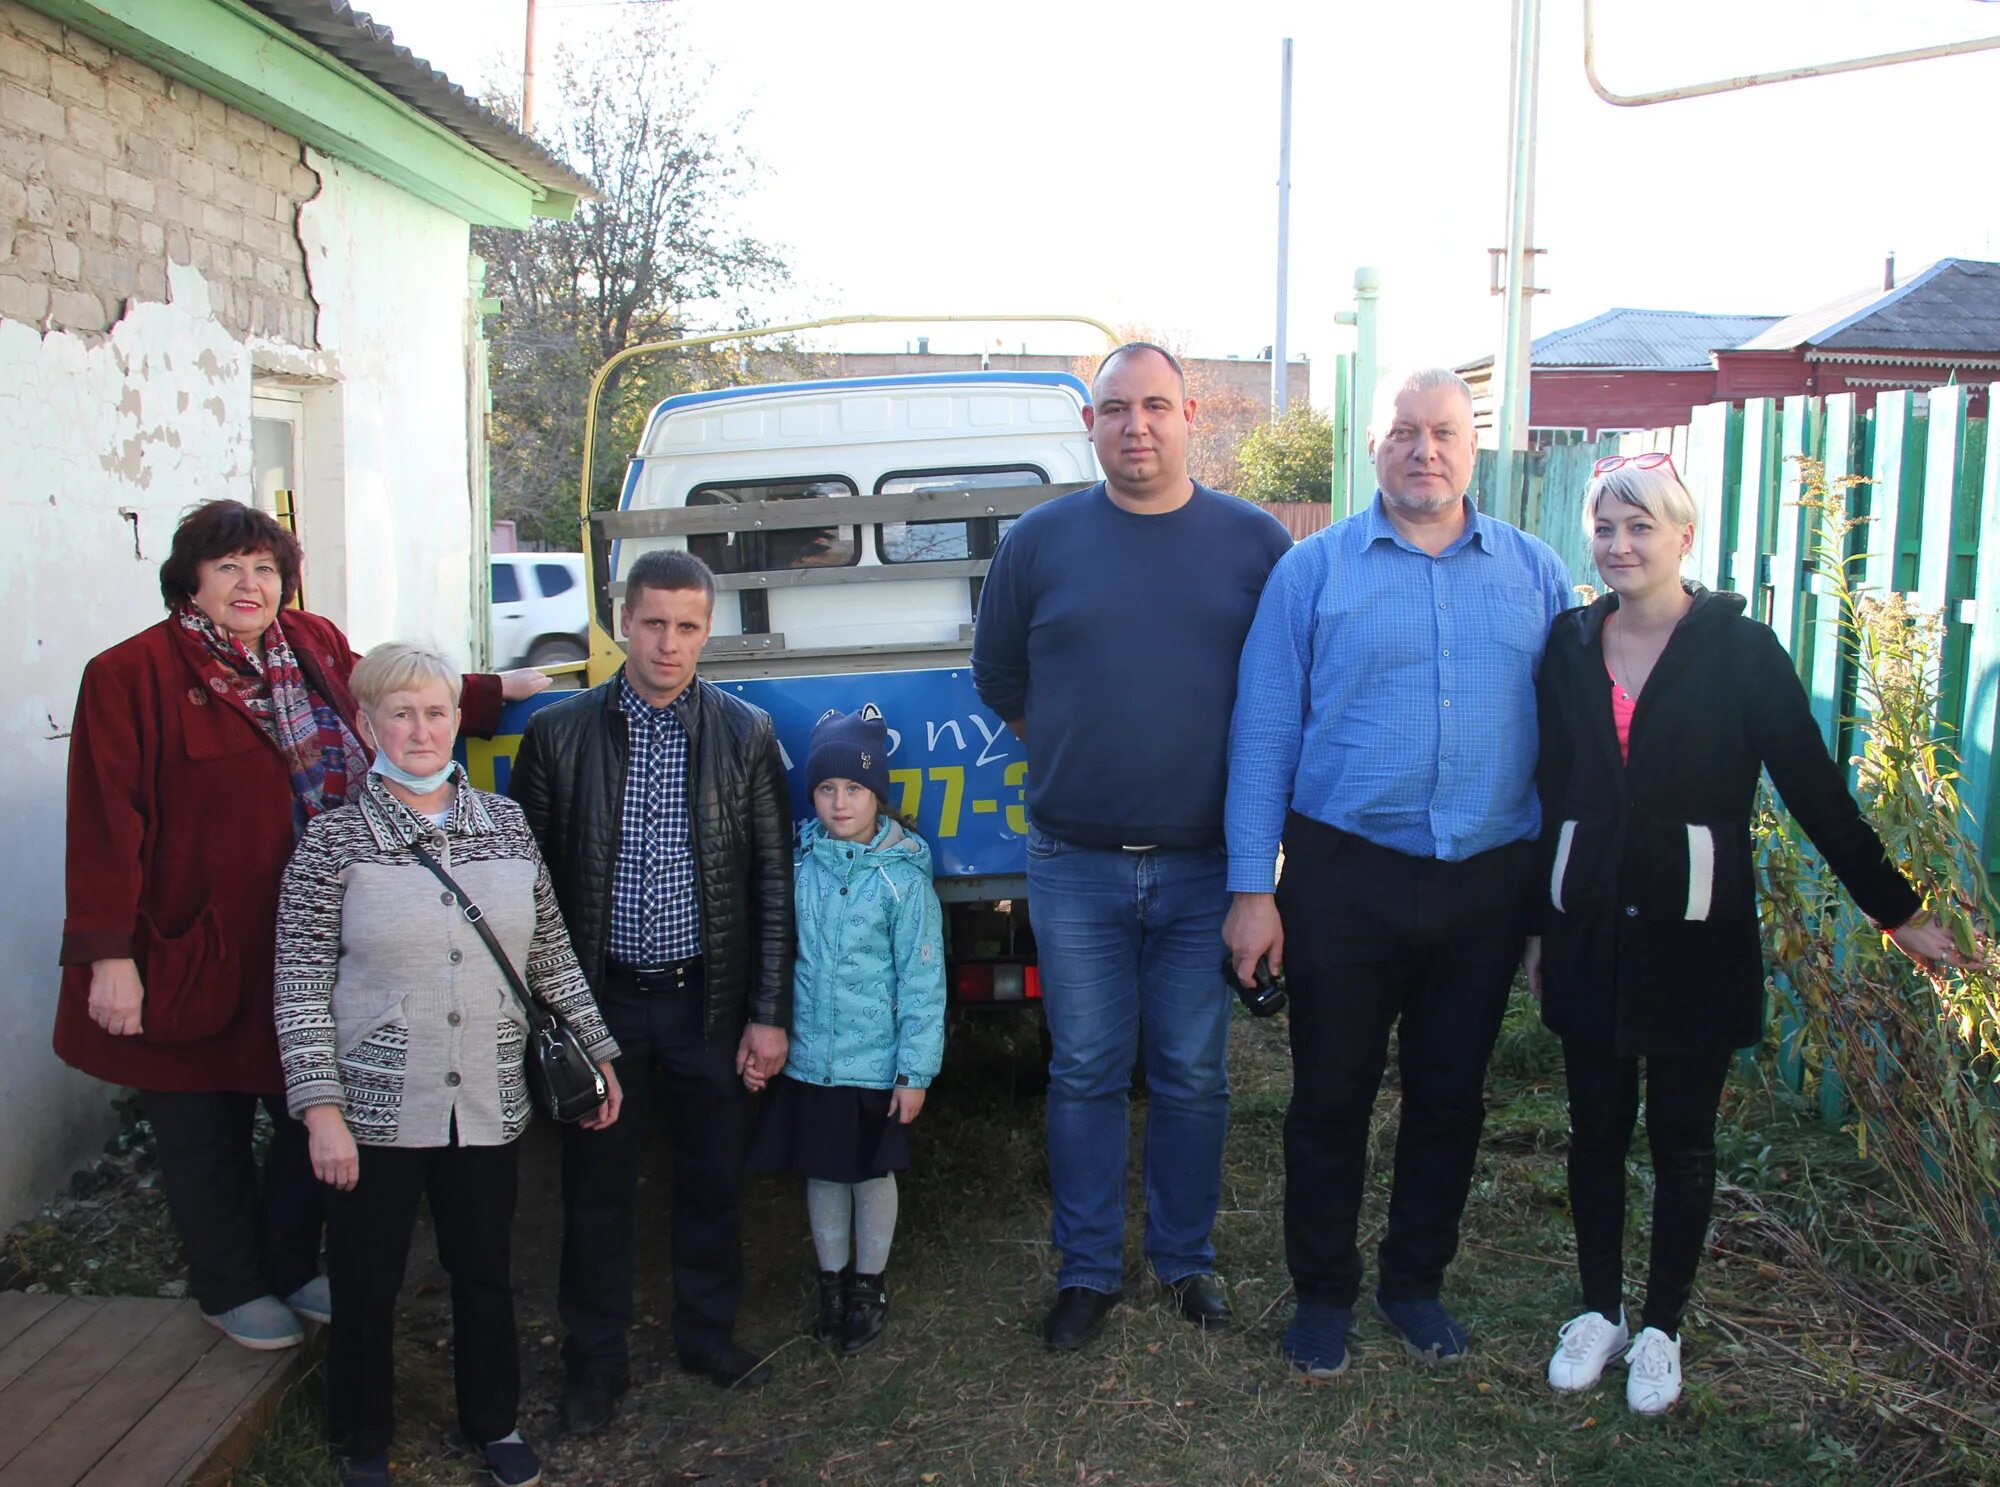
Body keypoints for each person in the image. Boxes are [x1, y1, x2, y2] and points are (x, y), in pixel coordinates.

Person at [1526, 454, 1964, 1414]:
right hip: (1588, 925)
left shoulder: (1740, 648)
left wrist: (1897, 912)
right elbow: (1551, 786)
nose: (1620, 546)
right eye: (1606, 528)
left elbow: (1814, 789)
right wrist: (1537, 919)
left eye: (1642, 527)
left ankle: (1660, 1328)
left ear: (1685, 536)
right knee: (1595, 1128)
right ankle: (1599, 1310)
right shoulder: (1567, 642)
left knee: (1682, 1136)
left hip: (1694, 935)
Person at [54, 499, 544, 1353]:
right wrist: (109, 955)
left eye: (266, 568)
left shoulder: (309, 644)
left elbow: (388, 696)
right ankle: (229, 1283)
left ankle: (285, 1261)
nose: (250, 585)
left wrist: (495, 692)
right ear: (191, 579)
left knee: (305, 1109)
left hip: (322, 929)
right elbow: (106, 819)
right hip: (196, 943)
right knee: (201, 1124)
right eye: (230, 567)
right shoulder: (129, 673)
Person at [1225, 368, 1573, 1379]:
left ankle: (1413, 1280)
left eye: (1444, 431)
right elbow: (1260, 734)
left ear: (1474, 445)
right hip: (1343, 876)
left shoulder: (1534, 573)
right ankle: (1321, 1291)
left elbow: (1566, 744)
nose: (1425, 449)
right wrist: (1254, 889)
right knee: (1329, 1094)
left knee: (1449, 1093)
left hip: (1486, 879)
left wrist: (1548, 908)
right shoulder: (1313, 572)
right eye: (1403, 432)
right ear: (1369, 446)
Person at [972, 342, 1293, 1351]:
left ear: (1191, 414)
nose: (1136, 426)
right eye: (1115, 408)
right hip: (1075, 863)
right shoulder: (1039, 541)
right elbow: (1001, 681)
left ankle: (1185, 1259)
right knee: (1084, 1070)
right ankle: (1084, 1269)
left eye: (1156, 405)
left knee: (1193, 1073)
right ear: (1089, 424)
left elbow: (1283, 694)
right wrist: (1083, 753)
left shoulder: (1252, 543)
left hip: (1208, 867)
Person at [274, 643, 621, 1487]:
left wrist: (598, 1052)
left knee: (485, 1273)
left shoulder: (503, 823)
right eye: (400, 712)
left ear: (457, 719)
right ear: (367, 723)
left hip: (489, 1097)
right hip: (374, 1108)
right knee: (367, 1283)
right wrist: (321, 1108)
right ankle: (363, 1441)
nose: (420, 729)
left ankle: (493, 1422)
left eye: (435, 711)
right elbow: (298, 982)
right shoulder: (335, 840)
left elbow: (550, 957)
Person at [510, 547, 794, 1431]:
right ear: (623, 622)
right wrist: (554, 1019)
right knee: (596, 1187)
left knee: (711, 1178)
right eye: (653, 623)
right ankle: (593, 1360)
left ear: (707, 632)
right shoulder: (559, 734)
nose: (669, 644)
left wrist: (767, 1014)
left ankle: (706, 1333)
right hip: (601, 1005)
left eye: (688, 627)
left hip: (706, 1002)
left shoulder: (744, 733)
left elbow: (771, 882)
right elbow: (527, 886)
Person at [746, 705, 946, 1355]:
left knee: (869, 1172)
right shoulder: (799, 865)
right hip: (812, 1059)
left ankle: (869, 1284)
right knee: (824, 1172)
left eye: (854, 789)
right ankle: (831, 1283)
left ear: (877, 795)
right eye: (826, 788)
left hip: (874, 1060)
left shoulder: (903, 879)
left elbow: (922, 981)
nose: (839, 802)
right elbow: (775, 953)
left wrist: (915, 1070)